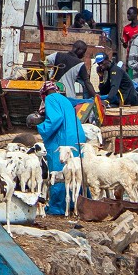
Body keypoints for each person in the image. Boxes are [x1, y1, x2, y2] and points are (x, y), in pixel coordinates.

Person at [26, 80, 85, 215]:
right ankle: (79, 204)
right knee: (77, 172)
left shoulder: (51, 99)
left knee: (59, 171)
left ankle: (58, 207)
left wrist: (41, 127)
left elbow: (55, 119)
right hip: (76, 136)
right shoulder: (64, 99)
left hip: (63, 138)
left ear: (44, 94)